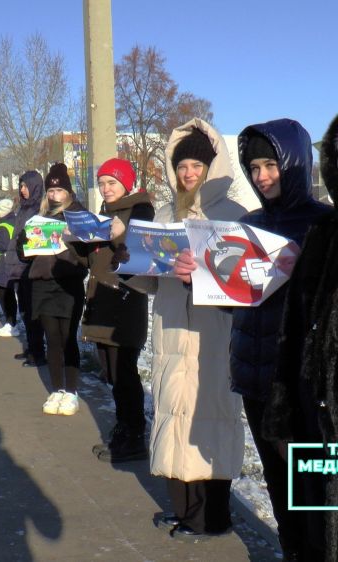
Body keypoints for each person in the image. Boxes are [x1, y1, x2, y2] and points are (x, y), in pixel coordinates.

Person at [222, 119, 333, 559]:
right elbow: (236, 301)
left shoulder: (325, 224)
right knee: (280, 488)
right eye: (254, 167)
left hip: (306, 389)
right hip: (256, 378)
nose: (261, 176)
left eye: (271, 164)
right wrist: (201, 280)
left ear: (296, 162)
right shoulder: (248, 224)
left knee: (316, 492)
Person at [140, 119, 249, 540]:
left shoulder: (234, 216)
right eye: (182, 165)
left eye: (196, 165)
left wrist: (200, 276)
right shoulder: (166, 214)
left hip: (215, 336)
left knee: (212, 420)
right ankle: (185, 512)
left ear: (212, 167)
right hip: (171, 331)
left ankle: (215, 518)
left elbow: (244, 285)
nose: (188, 173)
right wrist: (127, 261)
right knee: (174, 416)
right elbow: (149, 278)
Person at [262, 115, 338, 561]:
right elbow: (295, 332)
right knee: (314, 527)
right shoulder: (324, 235)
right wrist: (283, 413)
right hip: (314, 419)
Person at [84, 158, 154, 463]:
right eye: (101, 183)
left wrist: (118, 234)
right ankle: (123, 429)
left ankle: (135, 435)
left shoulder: (140, 208)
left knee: (125, 371)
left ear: (126, 183)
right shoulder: (104, 212)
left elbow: (141, 247)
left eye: (112, 182)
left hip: (126, 299)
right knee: (112, 372)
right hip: (102, 298)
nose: (105, 188)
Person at [27, 163, 90, 416]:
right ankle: (56, 389)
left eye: (59, 190)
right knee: (51, 339)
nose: (54, 196)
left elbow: (87, 253)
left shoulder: (78, 214)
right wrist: (25, 243)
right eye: (50, 192)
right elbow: (26, 255)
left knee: (67, 338)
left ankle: (72, 391)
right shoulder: (40, 217)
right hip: (42, 284)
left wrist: (69, 242)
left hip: (68, 284)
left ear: (68, 192)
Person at [4, 171, 47, 368]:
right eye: (21, 186)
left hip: (30, 267)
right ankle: (31, 347)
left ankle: (38, 353)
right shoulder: (23, 208)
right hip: (19, 267)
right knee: (25, 311)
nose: (22, 189)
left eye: (25, 186)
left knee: (33, 312)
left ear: (35, 186)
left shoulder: (39, 209)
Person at [0, 198, 18, 336]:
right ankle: (11, 322)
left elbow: (4, 245)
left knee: (4, 294)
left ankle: (10, 323)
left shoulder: (2, 226)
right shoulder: (15, 221)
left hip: (4, 263)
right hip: (13, 262)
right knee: (8, 293)